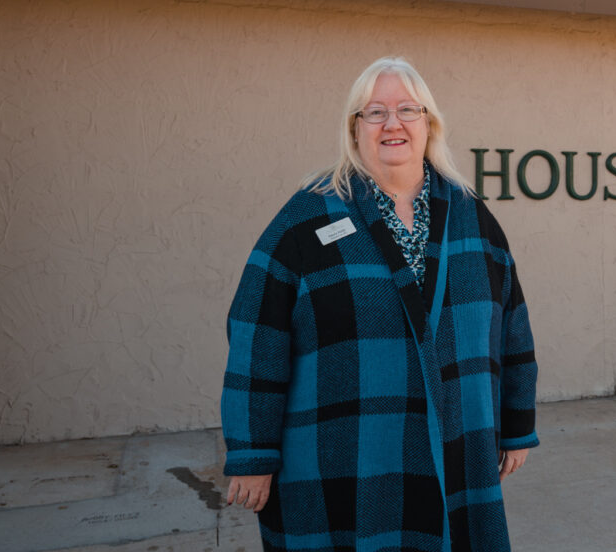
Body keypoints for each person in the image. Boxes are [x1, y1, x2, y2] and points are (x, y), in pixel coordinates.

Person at [221, 56, 538, 552]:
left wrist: (516, 426)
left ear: (429, 123)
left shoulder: (471, 215)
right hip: (346, 449)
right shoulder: (307, 217)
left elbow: (511, 325)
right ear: (355, 128)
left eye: (407, 109)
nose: (392, 123)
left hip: (457, 440)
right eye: (374, 112)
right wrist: (253, 452)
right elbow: (257, 334)